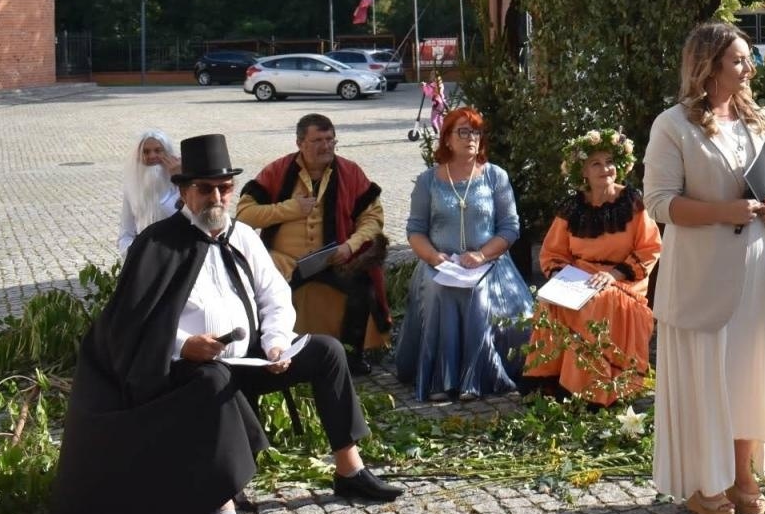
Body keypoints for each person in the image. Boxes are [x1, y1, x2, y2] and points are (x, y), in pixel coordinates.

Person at [41, 134, 402, 514]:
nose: (217, 198)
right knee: (212, 380)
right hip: (189, 372)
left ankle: (349, 468)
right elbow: (133, 325)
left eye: (224, 188)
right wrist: (183, 345)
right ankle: (221, 511)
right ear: (184, 191)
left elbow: (274, 296)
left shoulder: (244, 236)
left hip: (253, 358)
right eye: (206, 189)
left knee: (327, 352)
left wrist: (276, 344)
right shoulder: (157, 245)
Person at [645, 21, 765, 514]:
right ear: (708, 66)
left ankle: (742, 474)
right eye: (738, 59)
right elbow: (659, 203)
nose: (749, 67)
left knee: (750, 374)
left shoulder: (759, 118)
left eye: (748, 58)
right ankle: (704, 480)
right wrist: (722, 212)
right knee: (707, 379)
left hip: (759, 268)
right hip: (702, 276)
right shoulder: (673, 125)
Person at [394, 106, 534, 401]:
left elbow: (509, 228)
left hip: (490, 263)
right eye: (463, 131)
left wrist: (482, 255)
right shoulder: (428, 181)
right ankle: (442, 381)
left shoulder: (495, 176)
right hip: (440, 264)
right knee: (439, 291)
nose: (471, 138)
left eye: (476, 132)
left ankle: (476, 379)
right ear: (447, 138)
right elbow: (415, 230)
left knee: (478, 293)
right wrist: (433, 257)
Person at [237, 114, 390, 375]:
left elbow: (372, 217)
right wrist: (290, 209)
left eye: (330, 139)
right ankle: (272, 352)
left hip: (334, 260)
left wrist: (350, 246)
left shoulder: (350, 172)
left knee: (362, 287)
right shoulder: (277, 171)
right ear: (300, 143)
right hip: (283, 261)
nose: (326, 146)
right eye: (318, 140)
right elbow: (244, 215)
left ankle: (352, 355)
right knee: (267, 295)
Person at [524, 128, 662, 405]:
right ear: (583, 172)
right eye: (596, 163)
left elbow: (650, 249)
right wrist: (562, 280)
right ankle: (553, 384)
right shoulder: (573, 207)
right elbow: (552, 252)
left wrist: (612, 275)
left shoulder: (633, 203)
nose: (605, 168)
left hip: (622, 281)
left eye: (609, 161)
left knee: (596, 301)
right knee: (550, 304)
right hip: (578, 278)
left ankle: (590, 391)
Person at [118, 130, 180, 258]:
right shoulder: (131, 188)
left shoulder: (181, 185)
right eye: (146, 152)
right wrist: (134, 252)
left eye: (158, 150)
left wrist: (179, 180)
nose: (152, 156)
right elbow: (125, 233)